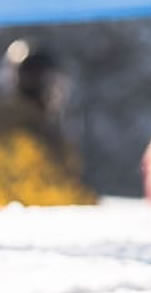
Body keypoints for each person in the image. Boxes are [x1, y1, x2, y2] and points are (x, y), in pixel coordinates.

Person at [0, 39, 95, 206]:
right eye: (52, 81)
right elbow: (41, 192)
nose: (58, 90)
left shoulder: (41, 125)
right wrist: (90, 207)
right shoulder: (20, 134)